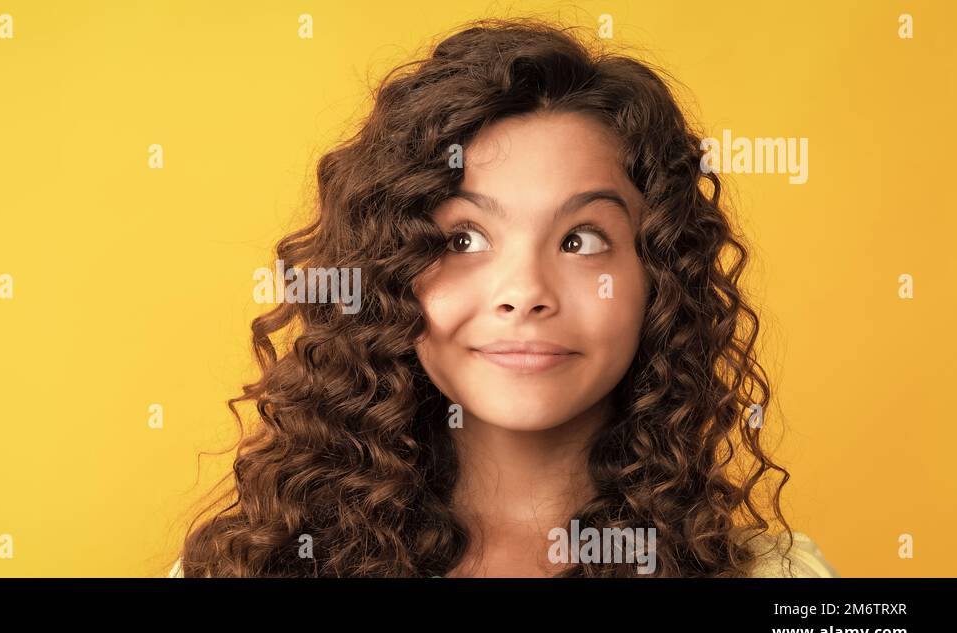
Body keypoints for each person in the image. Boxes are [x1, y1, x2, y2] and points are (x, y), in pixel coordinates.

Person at [169, 17, 836, 578]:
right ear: (386, 273)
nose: (524, 293)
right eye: (463, 239)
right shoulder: (253, 566)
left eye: (581, 239)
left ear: (656, 277)